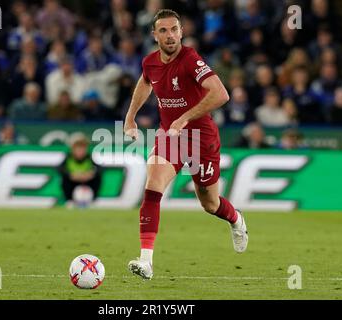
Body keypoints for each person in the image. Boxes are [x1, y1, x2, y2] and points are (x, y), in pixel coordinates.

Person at [123, 9, 248, 280]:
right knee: (153, 185)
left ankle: (236, 219)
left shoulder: (191, 59)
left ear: (182, 32)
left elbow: (221, 94)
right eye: (164, 31)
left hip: (201, 139)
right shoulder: (150, 63)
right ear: (154, 35)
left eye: (175, 30)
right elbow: (145, 82)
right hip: (170, 137)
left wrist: (185, 117)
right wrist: (130, 117)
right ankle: (146, 261)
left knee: (210, 203)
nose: (170, 36)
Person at [58, 133, 102, 206]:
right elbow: (60, 168)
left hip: (86, 182)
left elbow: (100, 168)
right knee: (64, 179)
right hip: (73, 182)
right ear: (73, 149)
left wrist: (90, 174)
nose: (80, 150)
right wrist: (71, 175)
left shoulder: (88, 158)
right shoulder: (68, 158)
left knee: (97, 178)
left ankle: (93, 200)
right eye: (78, 148)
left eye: (83, 148)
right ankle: (69, 200)